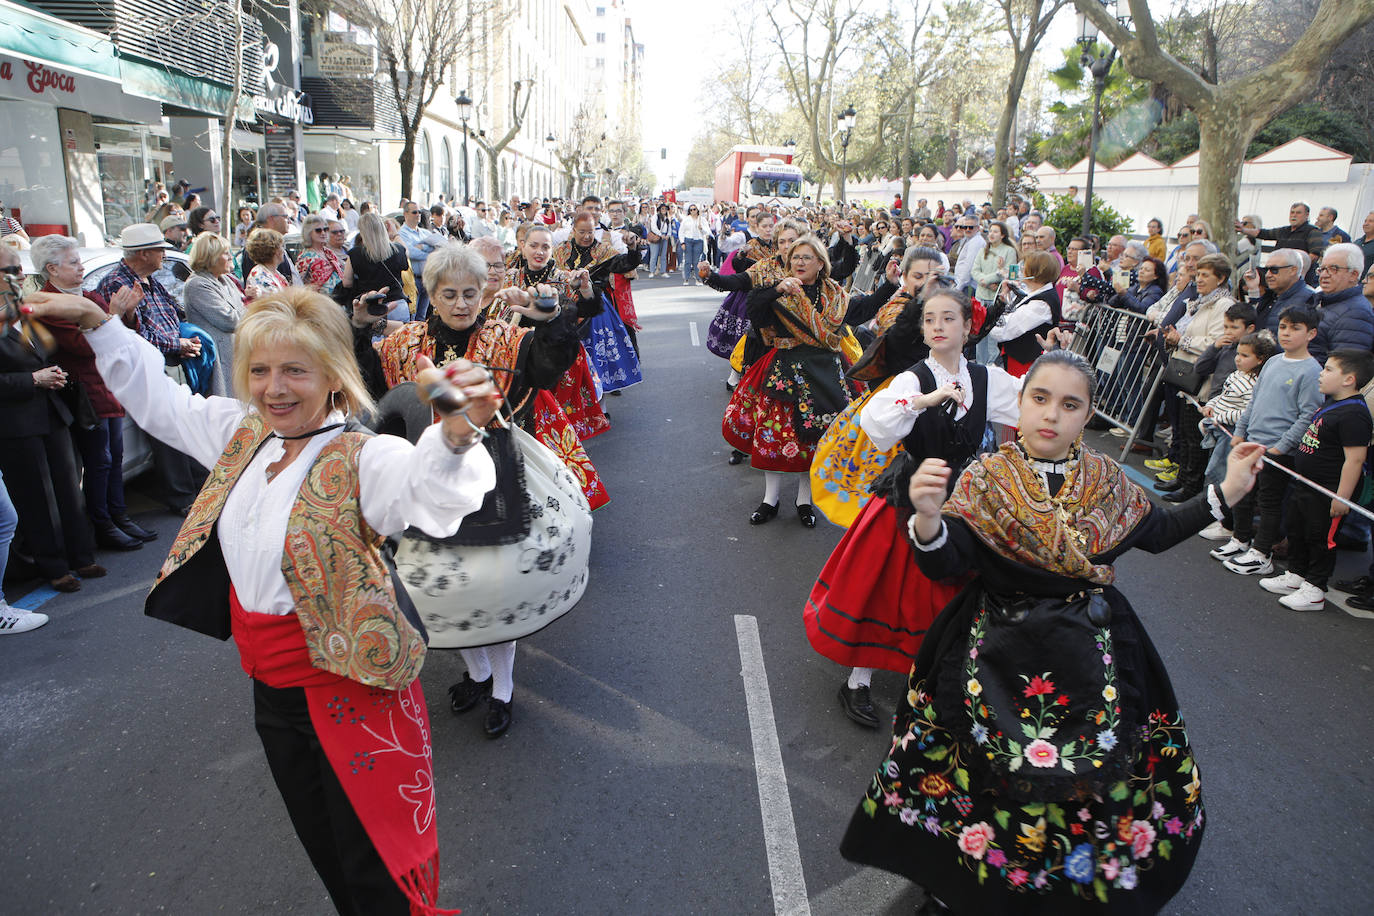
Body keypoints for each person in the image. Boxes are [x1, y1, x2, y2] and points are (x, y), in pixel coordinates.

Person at [26, 284, 495, 915]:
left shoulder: (366, 456)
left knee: (378, 868)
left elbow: (436, 497)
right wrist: (96, 321)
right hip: (272, 693)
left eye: (295, 370)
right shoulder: (242, 435)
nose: (273, 388)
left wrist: (457, 436)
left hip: (353, 689)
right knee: (327, 851)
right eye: (259, 370)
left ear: (332, 375)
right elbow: (161, 403)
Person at [840, 348, 1265, 913]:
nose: (1052, 415)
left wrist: (1228, 490)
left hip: (1088, 652)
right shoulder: (988, 477)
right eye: (1040, 398)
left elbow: (1159, 530)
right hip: (991, 645)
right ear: (1022, 403)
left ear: (1087, 416)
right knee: (978, 773)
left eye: (1070, 405)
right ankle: (958, 883)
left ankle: (1068, 886)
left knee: (1090, 777)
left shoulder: (1107, 480)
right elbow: (948, 563)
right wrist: (926, 519)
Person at [366, 241, 585, 736]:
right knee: (449, 580)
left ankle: (503, 688)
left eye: (470, 292)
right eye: (450, 294)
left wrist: (548, 320)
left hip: (497, 475)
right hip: (429, 477)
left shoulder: (509, 338)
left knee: (494, 584)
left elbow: (555, 366)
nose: (462, 304)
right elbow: (372, 396)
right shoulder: (405, 344)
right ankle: (477, 672)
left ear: (484, 292)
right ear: (432, 294)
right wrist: (360, 324)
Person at [806, 289, 1022, 728]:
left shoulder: (986, 378)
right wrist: (921, 402)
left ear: (968, 328)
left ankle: (939, 678)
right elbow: (876, 424)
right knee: (883, 587)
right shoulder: (912, 379)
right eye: (929, 320)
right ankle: (858, 680)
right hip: (907, 496)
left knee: (951, 593)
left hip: (962, 499)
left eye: (948, 318)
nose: (938, 326)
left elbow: (1028, 406)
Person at [30, 235, 153, 551]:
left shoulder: (87, 295)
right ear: (51, 269)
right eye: (73, 262)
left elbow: (125, 338)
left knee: (114, 459)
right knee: (99, 461)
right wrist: (111, 317)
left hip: (107, 388)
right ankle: (103, 524)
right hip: (84, 393)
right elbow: (85, 348)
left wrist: (125, 314)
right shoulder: (49, 303)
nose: (81, 267)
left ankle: (118, 515)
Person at [722, 235, 853, 527]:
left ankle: (804, 501)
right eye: (795, 257)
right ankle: (770, 500)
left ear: (821, 263)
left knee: (812, 442)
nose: (799, 262)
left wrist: (892, 286)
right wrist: (776, 288)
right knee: (774, 438)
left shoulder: (835, 296)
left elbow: (863, 309)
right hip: (784, 374)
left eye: (806, 257)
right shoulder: (779, 290)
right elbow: (753, 309)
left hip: (824, 374)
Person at [0, 246, 109, 591]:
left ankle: (81, 555)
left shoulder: (24, 310)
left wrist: (52, 374)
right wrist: (33, 380)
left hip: (52, 412)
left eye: (19, 269)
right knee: (36, 497)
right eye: (10, 269)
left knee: (68, 487)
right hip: (16, 422)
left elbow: (49, 351)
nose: (19, 275)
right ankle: (53, 566)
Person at [95, 222, 204, 515]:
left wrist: (183, 342)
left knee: (185, 423)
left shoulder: (150, 280)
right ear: (142, 254)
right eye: (159, 250)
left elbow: (171, 314)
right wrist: (178, 344)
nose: (165, 256)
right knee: (166, 431)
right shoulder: (117, 282)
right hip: (148, 366)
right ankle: (182, 497)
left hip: (171, 359)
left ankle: (198, 487)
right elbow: (133, 335)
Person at [1257, 349, 1373, 611]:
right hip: (1307, 483)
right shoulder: (1331, 402)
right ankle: (1296, 574)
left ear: (1349, 379)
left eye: (1329, 369)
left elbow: (1355, 460)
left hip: (1330, 490)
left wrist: (1341, 497)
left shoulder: (1355, 414)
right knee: (1297, 529)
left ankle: (1315, 588)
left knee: (1321, 538)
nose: (1321, 373)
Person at [1218, 307, 1324, 576]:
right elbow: (1255, 400)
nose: (1286, 333)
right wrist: (1241, 430)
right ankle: (1241, 539)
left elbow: (1307, 415)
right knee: (1243, 494)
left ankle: (1261, 552)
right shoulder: (1274, 362)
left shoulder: (1311, 371)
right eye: (1284, 327)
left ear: (1311, 334)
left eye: (1295, 328)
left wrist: (1282, 446)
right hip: (1252, 440)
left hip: (1277, 450)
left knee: (1268, 502)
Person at [499, 224, 610, 441]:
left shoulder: (563, 279)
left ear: (552, 250)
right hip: (517, 356)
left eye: (545, 247)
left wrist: (586, 289)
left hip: (554, 357)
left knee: (554, 425)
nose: (539, 252)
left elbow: (587, 311)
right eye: (533, 246)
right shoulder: (509, 277)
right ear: (523, 246)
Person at [1153, 254, 1234, 503]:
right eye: (1197, 274)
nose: (1198, 279)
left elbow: (1217, 342)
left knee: (1195, 437)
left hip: (1204, 381)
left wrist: (1182, 340)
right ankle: (1185, 479)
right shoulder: (1202, 302)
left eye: (1205, 275)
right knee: (1187, 434)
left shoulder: (1223, 306)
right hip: (1188, 377)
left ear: (1220, 279)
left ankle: (1191, 487)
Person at [183, 232, 247, 398]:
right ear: (210, 257)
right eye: (225, 253)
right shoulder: (197, 285)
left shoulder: (226, 281)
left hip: (236, 356)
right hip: (219, 361)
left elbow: (242, 311)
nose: (231, 257)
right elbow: (230, 320)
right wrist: (247, 311)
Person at [988, 250, 1061, 377]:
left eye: (1024, 267)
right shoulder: (1034, 293)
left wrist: (995, 316)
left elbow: (1004, 330)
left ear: (1034, 272)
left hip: (1026, 362)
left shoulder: (1042, 303)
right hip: (1016, 357)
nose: (1021, 270)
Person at [341, 211, 413, 322]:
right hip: (397, 303)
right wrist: (395, 234)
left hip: (372, 306)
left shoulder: (355, 253)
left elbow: (347, 283)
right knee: (402, 338)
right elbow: (406, 254)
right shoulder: (397, 249)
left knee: (377, 338)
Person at [1308, 243, 1373, 364]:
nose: (1324, 275)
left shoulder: (1356, 313)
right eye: (1322, 269)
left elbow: (1344, 367)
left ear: (1354, 275)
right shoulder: (1320, 301)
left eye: (1333, 269)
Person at [398, 202, 443, 319]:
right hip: (413, 280)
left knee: (422, 316)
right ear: (405, 214)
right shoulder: (402, 233)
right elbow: (410, 253)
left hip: (427, 278)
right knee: (412, 317)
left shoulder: (425, 232)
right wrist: (428, 251)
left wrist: (422, 246)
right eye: (414, 212)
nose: (418, 215)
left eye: (419, 212)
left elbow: (440, 245)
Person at [295, 214, 349, 298]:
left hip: (339, 299)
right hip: (320, 302)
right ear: (308, 233)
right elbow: (300, 286)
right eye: (318, 230)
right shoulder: (305, 258)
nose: (323, 233)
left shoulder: (328, 252)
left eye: (326, 229)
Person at [970, 221, 1017, 306]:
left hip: (997, 296)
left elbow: (1009, 272)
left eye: (995, 232)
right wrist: (984, 282)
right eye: (990, 231)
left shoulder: (1009, 251)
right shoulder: (982, 251)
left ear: (1002, 235)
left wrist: (987, 280)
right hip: (981, 295)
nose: (991, 234)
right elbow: (974, 271)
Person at [245, 229, 291, 295]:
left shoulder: (275, 273)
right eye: (281, 246)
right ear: (275, 250)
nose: (283, 250)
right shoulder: (260, 275)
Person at [678, 204, 708, 285]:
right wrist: (682, 242)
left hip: (699, 241)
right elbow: (681, 231)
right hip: (688, 241)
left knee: (696, 261)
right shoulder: (686, 219)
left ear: (697, 210)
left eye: (694, 209)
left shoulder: (702, 219)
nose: (692, 211)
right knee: (688, 261)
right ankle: (686, 278)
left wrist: (702, 228)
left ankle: (698, 279)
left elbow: (707, 232)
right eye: (691, 210)